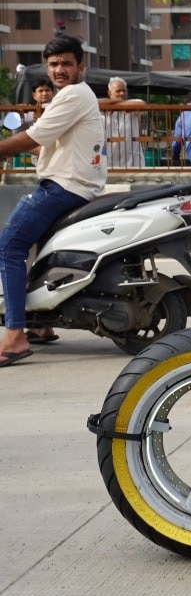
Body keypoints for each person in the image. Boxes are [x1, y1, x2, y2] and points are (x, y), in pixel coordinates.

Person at [0, 36, 107, 365]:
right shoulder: (72, 97)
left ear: (80, 67)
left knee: (9, 248)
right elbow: (42, 145)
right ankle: (41, 325)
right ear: (46, 68)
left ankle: (15, 334)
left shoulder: (73, 94)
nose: (59, 70)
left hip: (63, 187)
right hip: (75, 184)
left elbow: (33, 137)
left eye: (66, 63)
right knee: (36, 252)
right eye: (54, 64)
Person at [104, 76, 146, 169]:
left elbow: (142, 104)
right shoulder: (103, 109)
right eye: (118, 91)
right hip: (109, 163)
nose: (122, 93)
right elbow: (95, 103)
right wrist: (115, 104)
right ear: (109, 93)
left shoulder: (133, 104)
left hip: (133, 162)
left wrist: (117, 105)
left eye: (124, 90)